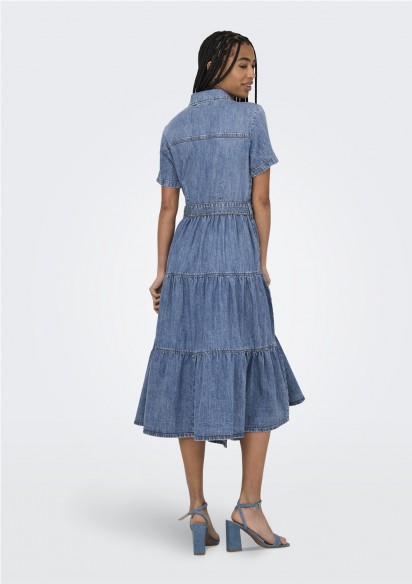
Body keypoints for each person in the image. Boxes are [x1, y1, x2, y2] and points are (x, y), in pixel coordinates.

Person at [134, 30, 305, 554]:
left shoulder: (174, 127)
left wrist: (162, 272)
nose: (250, 75)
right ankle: (248, 506)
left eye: (253, 66)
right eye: (241, 64)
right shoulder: (251, 120)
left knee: (190, 367)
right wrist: (261, 263)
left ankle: (196, 508)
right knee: (255, 367)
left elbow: (168, 209)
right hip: (236, 257)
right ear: (213, 64)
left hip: (187, 258)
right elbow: (262, 201)